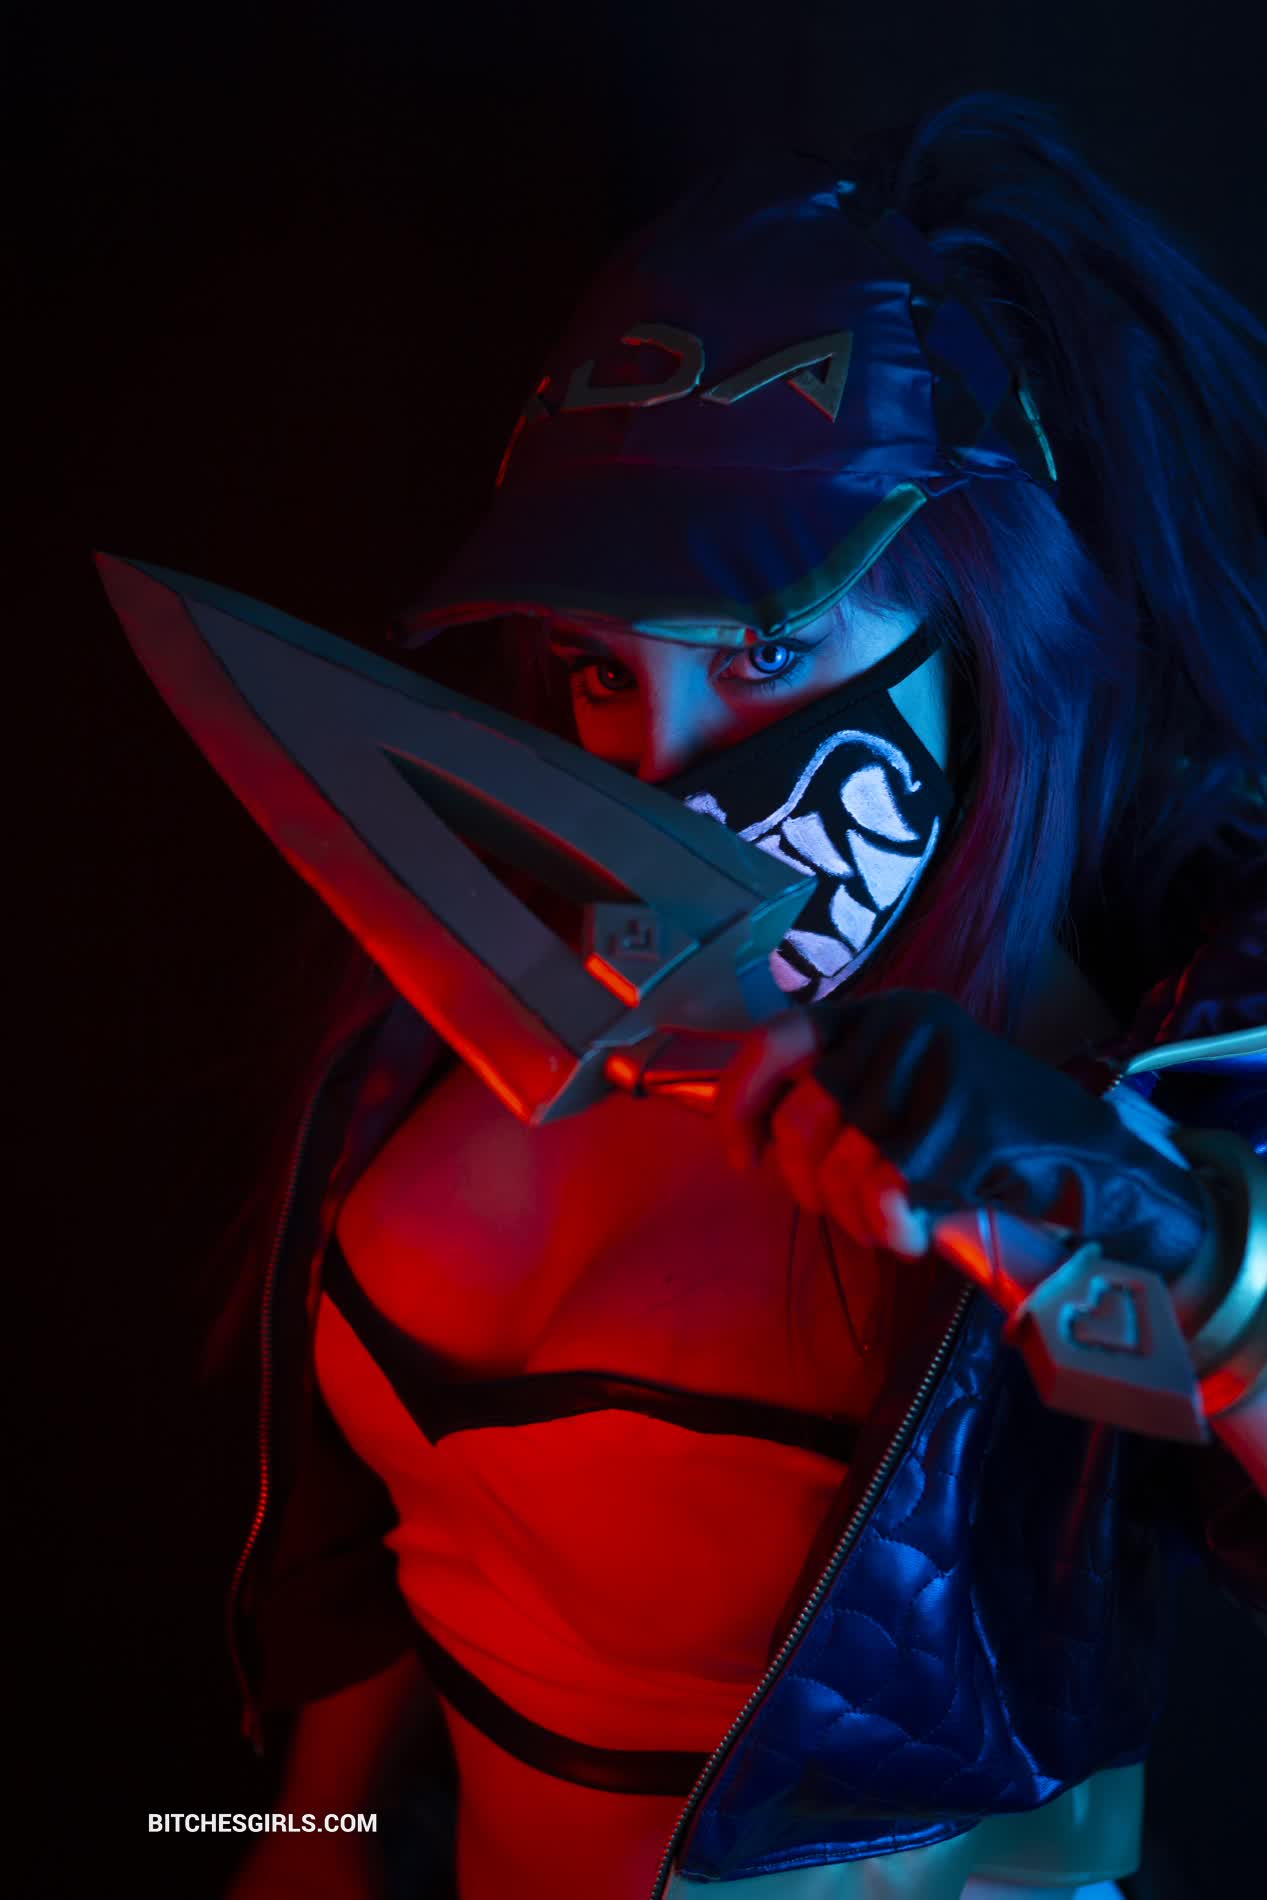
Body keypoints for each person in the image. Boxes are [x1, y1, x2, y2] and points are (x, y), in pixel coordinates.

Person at [219, 95, 1267, 1900]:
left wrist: (1170, 1237)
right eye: (597, 670)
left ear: (984, 622)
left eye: (770, 650)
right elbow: (383, 1547)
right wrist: (301, 1850)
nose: (667, 773)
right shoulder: (465, 986)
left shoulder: (1142, 1090)